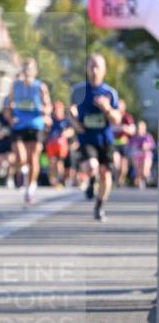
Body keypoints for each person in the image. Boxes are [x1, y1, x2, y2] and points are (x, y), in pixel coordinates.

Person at [69, 53, 122, 221]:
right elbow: (70, 112)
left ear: (104, 70)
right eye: (91, 66)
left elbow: (117, 119)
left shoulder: (110, 93)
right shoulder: (78, 90)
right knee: (92, 166)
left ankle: (99, 205)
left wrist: (106, 108)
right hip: (86, 138)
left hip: (105, 140)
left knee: (105, 174)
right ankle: (91, 179)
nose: (94, 69)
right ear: (86, 68)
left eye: (98, 66)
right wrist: (75, 121)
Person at [4, 58, 52, 204]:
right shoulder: (15, 86)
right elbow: (7, 105)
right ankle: (20, 172)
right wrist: (10, 117)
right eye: (25, 69)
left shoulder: (40, 87)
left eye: (30, 69)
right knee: (21, 156)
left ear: (35, 71)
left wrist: (45, 113)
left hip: (35, 124)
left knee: (33, 157)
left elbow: (48, 106)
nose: (27, 72)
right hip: (19, 125)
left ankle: (30, 187)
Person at [45, 101, 74, 187]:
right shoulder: (51, 120)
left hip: (62, 145)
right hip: (51, 144)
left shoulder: (66, 120)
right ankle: (53, 179)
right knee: (52, 162)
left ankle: (60, 179)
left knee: (59, 163)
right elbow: (46, 130)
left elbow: (71, 131)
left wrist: (64, 134)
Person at [112, 98, 136, 187]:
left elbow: (133, 130)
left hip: (124, 143)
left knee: (123, 165)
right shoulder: (111, 115)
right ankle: (115, 177)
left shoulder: (127, 117)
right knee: (116, 162)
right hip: (113, 144)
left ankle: (120, 179)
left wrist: (124, 128)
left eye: (120, 105)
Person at [129, 120, 155, 188]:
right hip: (136, 156)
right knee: (138, 170)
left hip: (146, 155)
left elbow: (152, 145)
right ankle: (139, 181)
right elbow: (129, 145)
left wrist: (146, 146)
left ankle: (147, 177)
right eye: (138, 128)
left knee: (145, 169)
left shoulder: (147, 136)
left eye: (141, 128)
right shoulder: (134, 137)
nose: (139, 130)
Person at [0, 109, 15, 187]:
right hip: (1, 142)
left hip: (10, 141)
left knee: (10, 160)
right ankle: (2, 166)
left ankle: (10, 178)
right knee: (0, 160)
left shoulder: (14, 114)